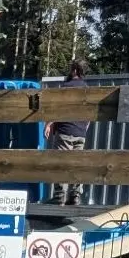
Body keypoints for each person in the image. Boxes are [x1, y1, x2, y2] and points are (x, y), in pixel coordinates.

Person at [45, 61, 90, 206]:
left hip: (65, 130)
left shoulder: (66, 87)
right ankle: (75, 195)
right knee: (77, 164)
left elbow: (57, 107)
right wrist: (84, 127)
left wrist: (49, 123)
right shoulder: (87, 89)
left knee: (61, 163)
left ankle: (60, 196)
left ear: (75, 70)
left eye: (71, 69)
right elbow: (90, 113)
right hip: (80, 131)